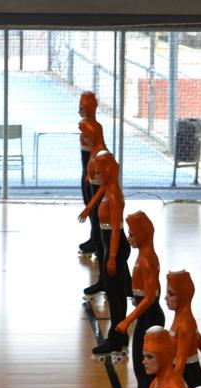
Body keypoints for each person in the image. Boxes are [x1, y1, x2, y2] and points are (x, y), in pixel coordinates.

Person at [115, 211, 165, 388]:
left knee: (144, 372)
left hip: (149, 317)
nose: (129, 239)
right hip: (147, 316)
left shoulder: (146, 258)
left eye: (132, 235)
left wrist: (128, 319)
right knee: (145, 373)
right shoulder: (144, 254)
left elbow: (150, 297)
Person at [79, 151, 131, 358]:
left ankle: (116, 338)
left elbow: (117, 228)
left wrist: (110, 257)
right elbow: (99, 192)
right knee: (113, 293)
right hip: (109, 242)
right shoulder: (108, 187)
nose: (96, 172)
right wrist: (88, 207)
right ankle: (120, 336)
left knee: (115, 295)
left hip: (114, 244)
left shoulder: (114, 195)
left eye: (100, 169)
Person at [165, 270, 201, 388]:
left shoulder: (185, 324)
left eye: (171, 294)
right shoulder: (183, 319)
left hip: (192, 383)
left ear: (182, 296)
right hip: (188, 379)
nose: (166, 298)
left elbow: (181, 360)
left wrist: (172, 386)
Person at [78, 117, 108, 296]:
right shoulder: (94, 152)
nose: (83, 139)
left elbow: (108, 185)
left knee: (103, 240)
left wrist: (90, 207)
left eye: (86, 135)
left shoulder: (101, 155)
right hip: (96, 201)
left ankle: (108, 281)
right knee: (98, 237)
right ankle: (104, 280)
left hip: (102, 205)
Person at [78, 91, 99, 255]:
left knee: (94, 206)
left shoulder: (92, 127)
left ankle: (98, 241)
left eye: (82, 107)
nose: (79, 111)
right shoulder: (86, 124)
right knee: (89, 204)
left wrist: (88, 174)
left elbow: (96, 150)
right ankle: (95, 237)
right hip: (87, 168)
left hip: (91, 170)